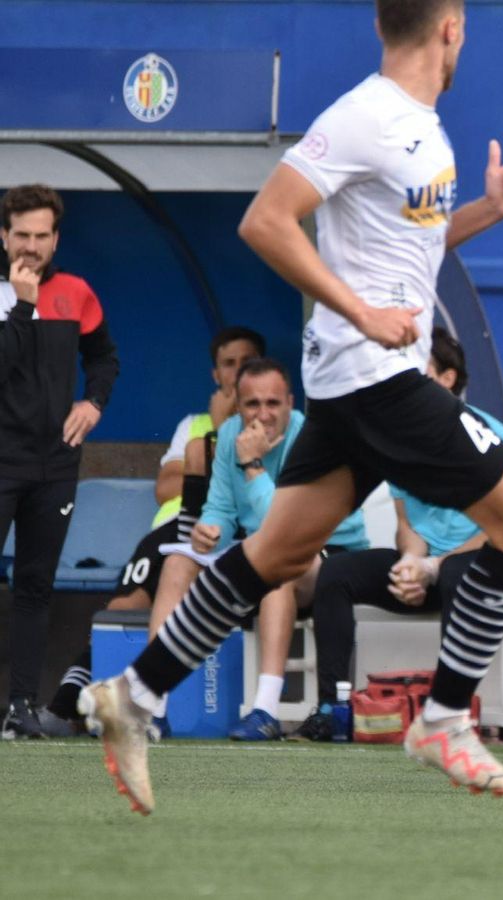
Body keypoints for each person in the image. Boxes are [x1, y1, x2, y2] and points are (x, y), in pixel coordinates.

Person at [79, 0, 503, 814]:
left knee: (277, 554)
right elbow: (266, 221)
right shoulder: (366, 116)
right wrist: (362, 314)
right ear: (451, 28)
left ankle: (137, 695)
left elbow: (408, 254)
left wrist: (487, 211)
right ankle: (443, 719)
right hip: (376, 376)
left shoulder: (421, 127)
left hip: (361, 380)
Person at [297, 329, 503, 741]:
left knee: (458, 573)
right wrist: (409, 564)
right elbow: (408, 525)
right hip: (428, 569)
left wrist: (434, 566)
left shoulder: (493, 437)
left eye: (419, 374)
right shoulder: (402, 442)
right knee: (336, 574)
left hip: (482, 569)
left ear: (448, 379)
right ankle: (333, 709)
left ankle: (449, 716)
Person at [39, 326, 265, 736]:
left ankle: (157, 705)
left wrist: (216, 442)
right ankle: (68, 703)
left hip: (232, 532)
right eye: (228, 364)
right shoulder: (192, 424)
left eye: (245, 363)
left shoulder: (272, 423)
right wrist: (212, 438)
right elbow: (165, 488)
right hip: (172, 530)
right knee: (123, 609)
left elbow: (238, 490)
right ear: (215, 374)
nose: (236, 372)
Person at [145, 356, 369, 741]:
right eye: (252, 404)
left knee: (276, 565)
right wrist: (208, 530)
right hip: (268, 548)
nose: (262, 414)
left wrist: (252, 466)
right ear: (238, 406)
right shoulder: (231, 435)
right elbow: (221, 508)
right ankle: (153, 711)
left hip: (329, 555)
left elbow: (285, 526)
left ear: (291, 403)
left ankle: (264, 710)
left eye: (272, 403)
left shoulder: (312, 438)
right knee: (179, 563)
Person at [0, 184, 120, 739]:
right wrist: (22, 305)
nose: (30, 246)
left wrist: (93, 402)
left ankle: (21, 706)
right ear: (4, 236)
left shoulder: (77, 291)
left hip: (55, 465)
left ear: (55, 238)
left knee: (34, 585)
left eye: (40, 235)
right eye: (20, 234)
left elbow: (103, 357)